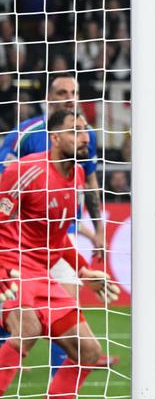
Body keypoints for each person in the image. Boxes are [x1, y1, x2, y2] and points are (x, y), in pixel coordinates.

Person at [0, 110, 120, 399]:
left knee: (90, 352)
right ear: (54, 138)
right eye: (74, 131)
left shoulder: (77, 176)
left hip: (41, 274)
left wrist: (82, 269)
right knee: (26, 328)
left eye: (85, 131)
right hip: (13, 264)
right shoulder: (25, 170)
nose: (84, 137)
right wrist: (3, 273)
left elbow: (57, 237)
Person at [0, 74, 106, 374]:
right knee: (23, 324)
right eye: (62, 92)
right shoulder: (27, 132)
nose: (69, 97)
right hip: (20, 242)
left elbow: (89, 180)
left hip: (62, 236)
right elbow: (5, 175)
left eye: (74, 92)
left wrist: (97, 227)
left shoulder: (87, 135)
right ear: (49, 97)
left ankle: (55, 392)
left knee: (69, 317)